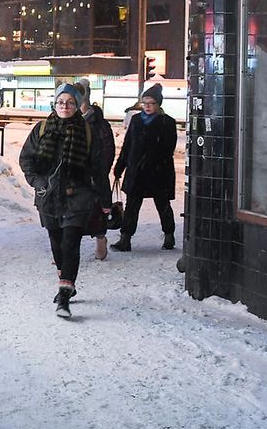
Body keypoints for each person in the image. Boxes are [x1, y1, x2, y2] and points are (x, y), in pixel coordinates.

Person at [18, 84, 112, 319]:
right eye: (61, 102)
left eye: (70, 102)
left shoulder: (87, 132)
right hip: (48, 196)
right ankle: (65, 277)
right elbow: (26, 159)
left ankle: (64, 292)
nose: (65, 106)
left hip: (78, 195)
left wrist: (104, 199)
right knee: (56, 242)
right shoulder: (41, 129)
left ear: (78, 105)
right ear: (54, 103)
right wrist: (38, 182)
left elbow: (98, 168)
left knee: (71, 242)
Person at [112, 84, 179, 252]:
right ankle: (125, 238)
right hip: (137, 171)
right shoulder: (136, 120)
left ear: (159, 104)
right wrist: (120, 166)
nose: (147, 106)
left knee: (162, 204)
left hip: (158, 171)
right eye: (145, 103)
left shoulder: (167, 122)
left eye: (152, 103)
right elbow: (127, 145)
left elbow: (168, 148)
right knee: (132, 206)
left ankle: (169, 235)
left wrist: (153, 161)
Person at [73, 81, 117, 261]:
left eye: (78, 102)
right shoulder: (65, 121)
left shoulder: (99, 123)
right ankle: (67, 249)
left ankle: (100, 238)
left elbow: (108, 151)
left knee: (96, 215)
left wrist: (99, 171)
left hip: (93, 178)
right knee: (70, 217)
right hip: (72, 177)